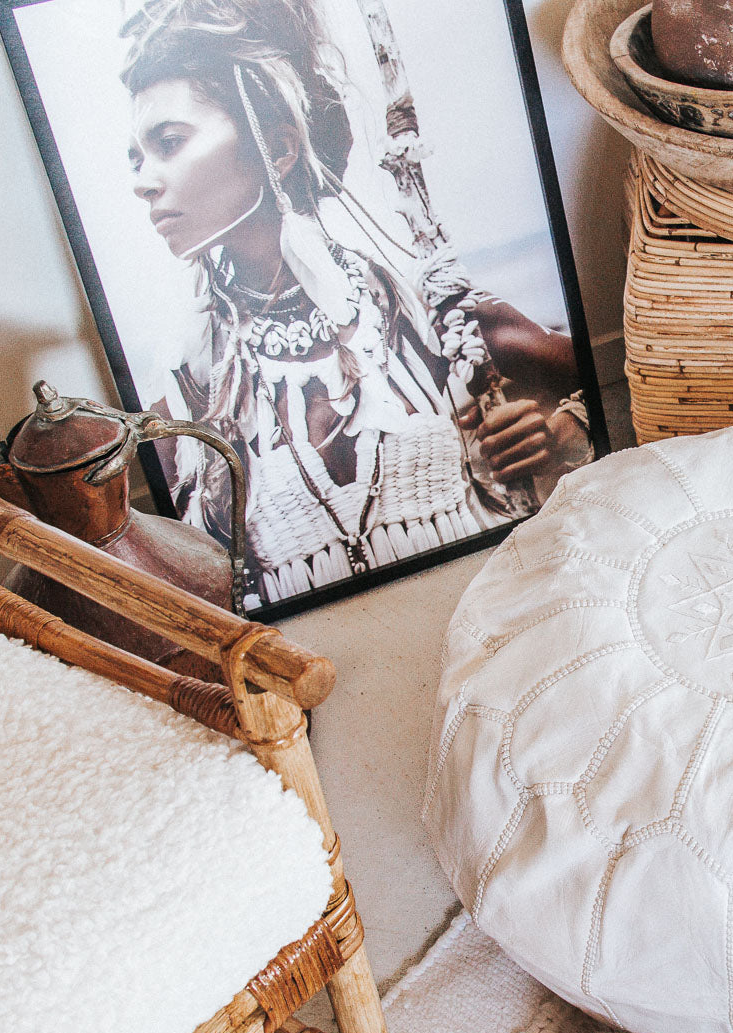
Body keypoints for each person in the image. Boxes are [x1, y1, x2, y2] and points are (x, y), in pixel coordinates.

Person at [119, 0, 593, 608]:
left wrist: (560, 437)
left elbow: (624, 375)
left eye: (169, 142)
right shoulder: (193, 398)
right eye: (136, 157)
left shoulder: (429, 319)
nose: (143, 180)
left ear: (280, 148)